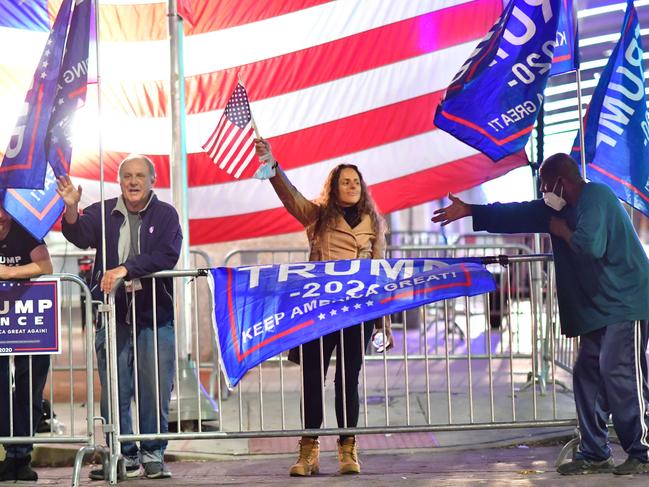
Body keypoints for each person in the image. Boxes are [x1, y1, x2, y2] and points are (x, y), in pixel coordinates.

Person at [432, 153, 649, 476]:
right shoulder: (555, 208)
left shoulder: (596, 197)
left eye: (545, 186)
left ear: (561, 183)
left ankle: (642, 451)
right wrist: (470, 210)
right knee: (586, 375)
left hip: (626, 301)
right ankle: (594, 451)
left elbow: (592, 246)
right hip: (599, 307)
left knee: (618, 372)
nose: (543, 193)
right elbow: (517, 213)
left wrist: (561, 231)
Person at [255, 139, 394, 476]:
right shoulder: (317, 215)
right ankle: (309, 450)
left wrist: (383, 322)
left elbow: (380, 272)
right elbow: (293, 200)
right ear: (334, 187)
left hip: (357, 311)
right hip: (319, 310)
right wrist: (273, 167)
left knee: (349, 380)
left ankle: (348, 449)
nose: (351, 186)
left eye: (356, 181)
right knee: (313, 379)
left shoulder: (374, 223)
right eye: (345, 181)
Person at [56, 155, 182, 480]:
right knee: (115, 389)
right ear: (120, 180)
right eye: (127, 176)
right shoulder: (103, 211)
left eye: (140, 175)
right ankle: (123, 455)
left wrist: (126, 269)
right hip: (112, 315)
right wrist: (70, 208)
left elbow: (167, 254)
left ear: (152, 181)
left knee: (154, 387)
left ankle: (153, 454)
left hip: (155, 314)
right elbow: (78, 234)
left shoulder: (166, 214)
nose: (133, 181)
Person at [0, 204, 53, 482]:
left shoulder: (26, 231)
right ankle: (13, 453)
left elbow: (45, 265)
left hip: (29, 320)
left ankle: (21, 455)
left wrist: (8, 273)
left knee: (29, 389)